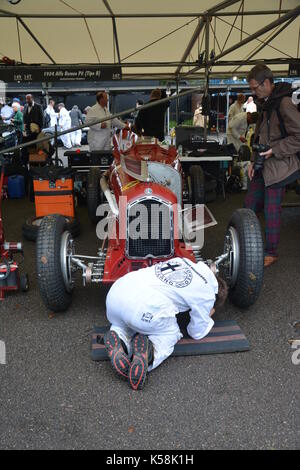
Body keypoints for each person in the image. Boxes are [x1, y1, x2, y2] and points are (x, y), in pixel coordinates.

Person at [104, 257, 228, 390]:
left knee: (125, 323)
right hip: (142, 307)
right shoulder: (208, 293)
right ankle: (148, 352)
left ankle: (119, 337)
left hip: (116, 294)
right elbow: (196, 332)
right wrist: (209, 312)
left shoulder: (182, 261)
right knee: (171, 333)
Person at [245, 64, 300, 268]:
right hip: (263, 165)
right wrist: (252, 160)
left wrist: (275, 150)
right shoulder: (267, 103)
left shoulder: (284, 103)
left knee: (271, 210)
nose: (253, 92)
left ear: (266, 83)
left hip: (280, 166)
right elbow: (259, 135)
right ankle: (244, 243)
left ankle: (271, 252)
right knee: (249, 206)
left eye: (254, 87)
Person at [22, 94, 44, 164]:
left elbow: (42, 118)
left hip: (36, 130)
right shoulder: (25, 106)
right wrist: (24, 126)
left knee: (35, 146)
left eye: (28, 99)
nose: (27, 101)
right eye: (26, 99)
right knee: (28, 147)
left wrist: (40, 129)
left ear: (32, 98)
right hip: (28, 130)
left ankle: (35, 162)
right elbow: (24, 117)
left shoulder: (38, 106)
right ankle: (28, 161)